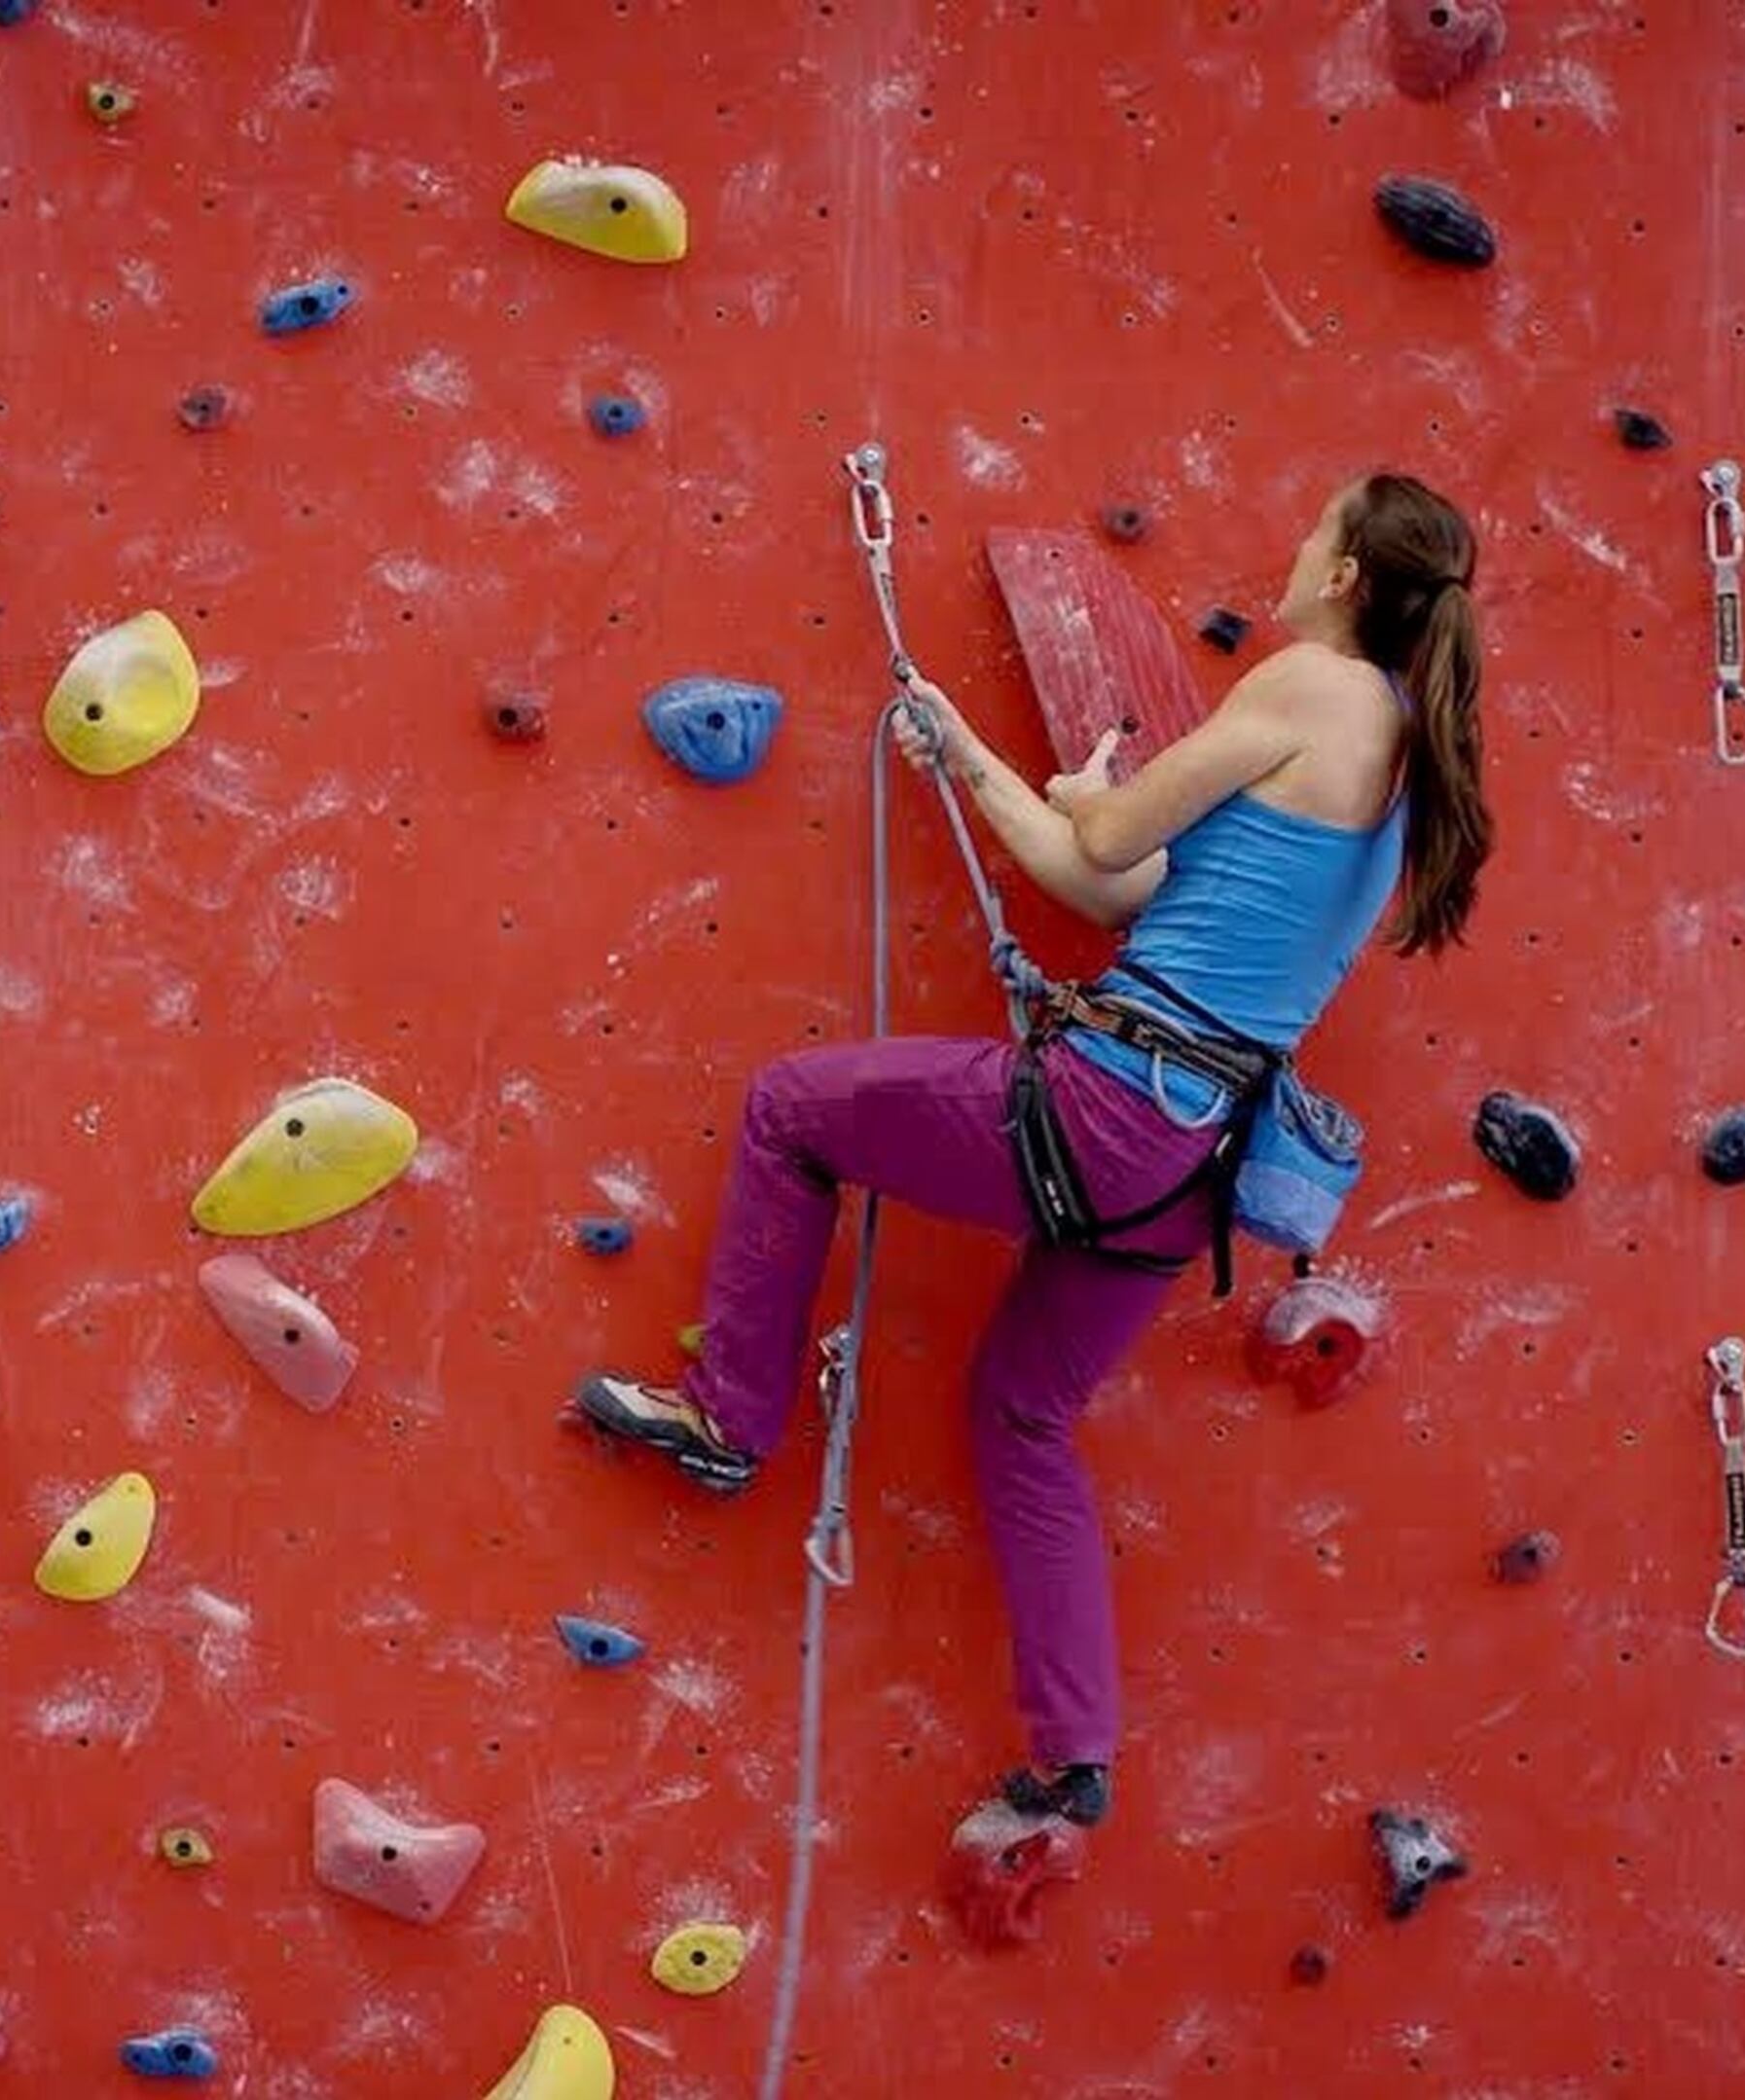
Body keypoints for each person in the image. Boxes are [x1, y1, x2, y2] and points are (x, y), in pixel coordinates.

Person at [574, 471, 1495, 1827]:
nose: (1295, 545)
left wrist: (1082, 788)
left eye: (1317, 529)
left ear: (1350, 574)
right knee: (1021, 1410)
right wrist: (972, 757)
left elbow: (1113, 834)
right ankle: (1074, 1756)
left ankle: (730, 1419)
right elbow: (1106, 885)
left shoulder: (1311, 686)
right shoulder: (1404, 749)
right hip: (1196, 1171)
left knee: (790, 1108)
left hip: (1110, 1102)